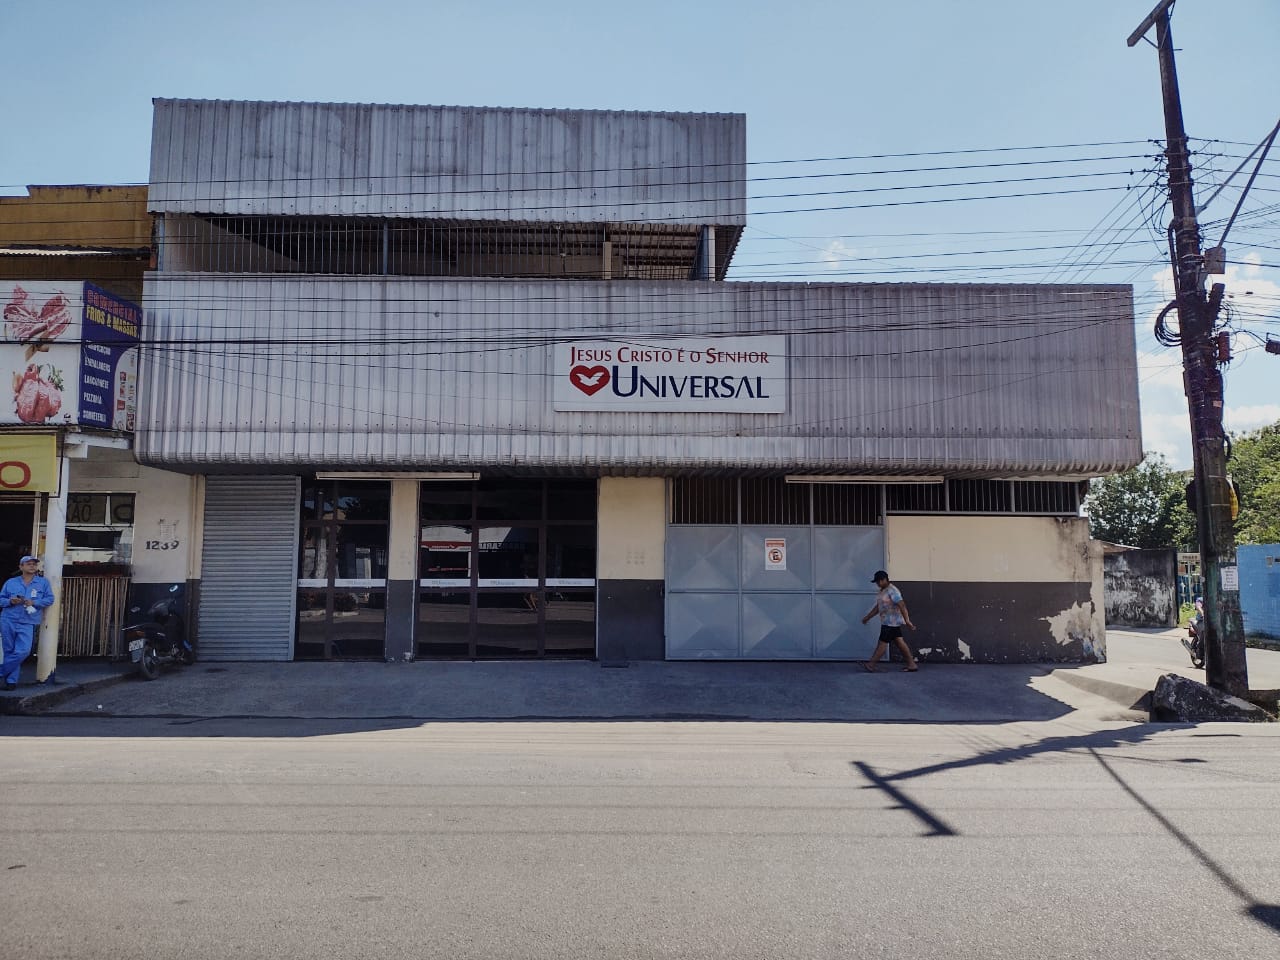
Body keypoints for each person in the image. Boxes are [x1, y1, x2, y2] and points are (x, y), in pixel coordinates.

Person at [1, 555, 55, 690]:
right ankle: (11, 682)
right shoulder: (11, 582)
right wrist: (10, 601)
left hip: (28, 621)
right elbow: (1, 600)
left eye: (34, 564)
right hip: (8, 619)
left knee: (23, 651)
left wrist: (34, 602)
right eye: (28, 564)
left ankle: (2, 671)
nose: (32, 566)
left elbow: (50, 599)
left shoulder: (43, 583)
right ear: (21, 567)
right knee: (9, 650)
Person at [860, 569, 919, 672]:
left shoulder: (892, 590)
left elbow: (902, 605)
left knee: (882, 643)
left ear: (884, 579)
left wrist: (907, 621)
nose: (877, 584)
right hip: (889, 622)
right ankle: (912, 664)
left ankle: (871, 664)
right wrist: (868, 617)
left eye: (878, 581)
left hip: (891, 623)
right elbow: (879, 607)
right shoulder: (883, 591)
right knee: (900, 643)